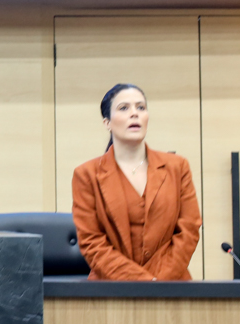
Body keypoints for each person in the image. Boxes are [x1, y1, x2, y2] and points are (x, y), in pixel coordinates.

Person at [71, 83, 202, 281]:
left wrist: (159, 282)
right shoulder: (86, 175)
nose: (135, 114)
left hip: (171, 286)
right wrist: (142, 282)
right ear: (107, 122)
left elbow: (189, 231)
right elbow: (92, 242)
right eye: (124, 108)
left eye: (141, 107)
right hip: (111, 289)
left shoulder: (177, 167)